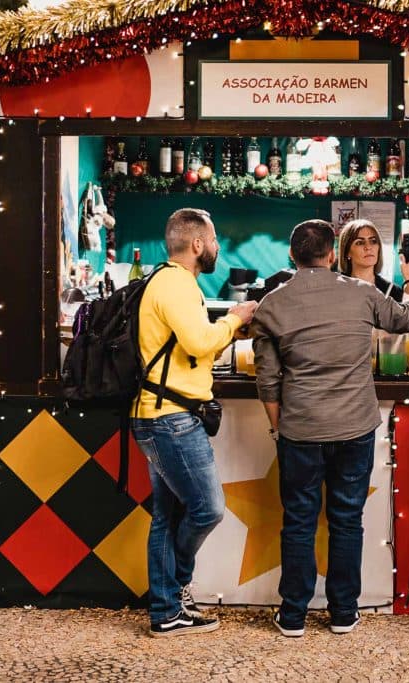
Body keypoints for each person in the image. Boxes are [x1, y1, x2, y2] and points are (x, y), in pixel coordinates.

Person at [252, 219, 409, 637]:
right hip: (354, 427)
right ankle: (343, 612)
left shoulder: (271, 305)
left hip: (300, 429)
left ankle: (293, 615)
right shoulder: (362, 293)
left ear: (292, 257)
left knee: (298, 520)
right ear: (333, 254)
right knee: (347, 520)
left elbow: (267, 380)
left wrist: (279, 427)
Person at [131, 208, 258, 637]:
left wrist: (229, 332)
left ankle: (166, 610)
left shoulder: (166, 281)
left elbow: (188, 349)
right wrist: (236, 318)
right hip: (170, 420)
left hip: (160, 414)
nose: (219, 246)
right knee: (207, 509)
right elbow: (199, 341)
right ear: (199, 244)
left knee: (167, 517)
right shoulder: (177, 285)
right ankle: (175, 586)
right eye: (215, 238)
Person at [337, 219, 403, 301]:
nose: (368, 247)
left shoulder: (393, 292)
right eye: (360, 242)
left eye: (373, 241)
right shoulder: (335, 287)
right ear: (347, 252)